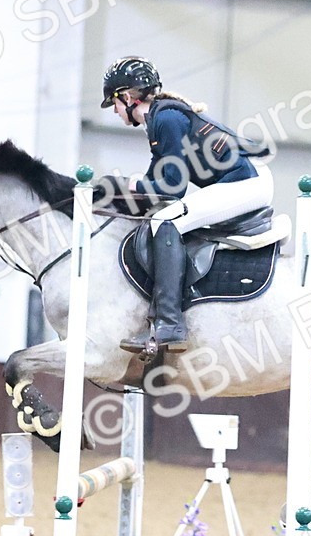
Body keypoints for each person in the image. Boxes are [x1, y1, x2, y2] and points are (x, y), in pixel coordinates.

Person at [101, 56, 272, 353]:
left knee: (165, 222)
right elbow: (158, 179)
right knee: (161, 217)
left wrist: (130, 184)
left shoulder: (166, 119)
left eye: (114, 103)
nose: (115, 111)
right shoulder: (158, 120)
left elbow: (172, 189)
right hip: (242, 181)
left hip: (246, 184)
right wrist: (126, 188)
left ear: (127, 97)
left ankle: (170, 322)